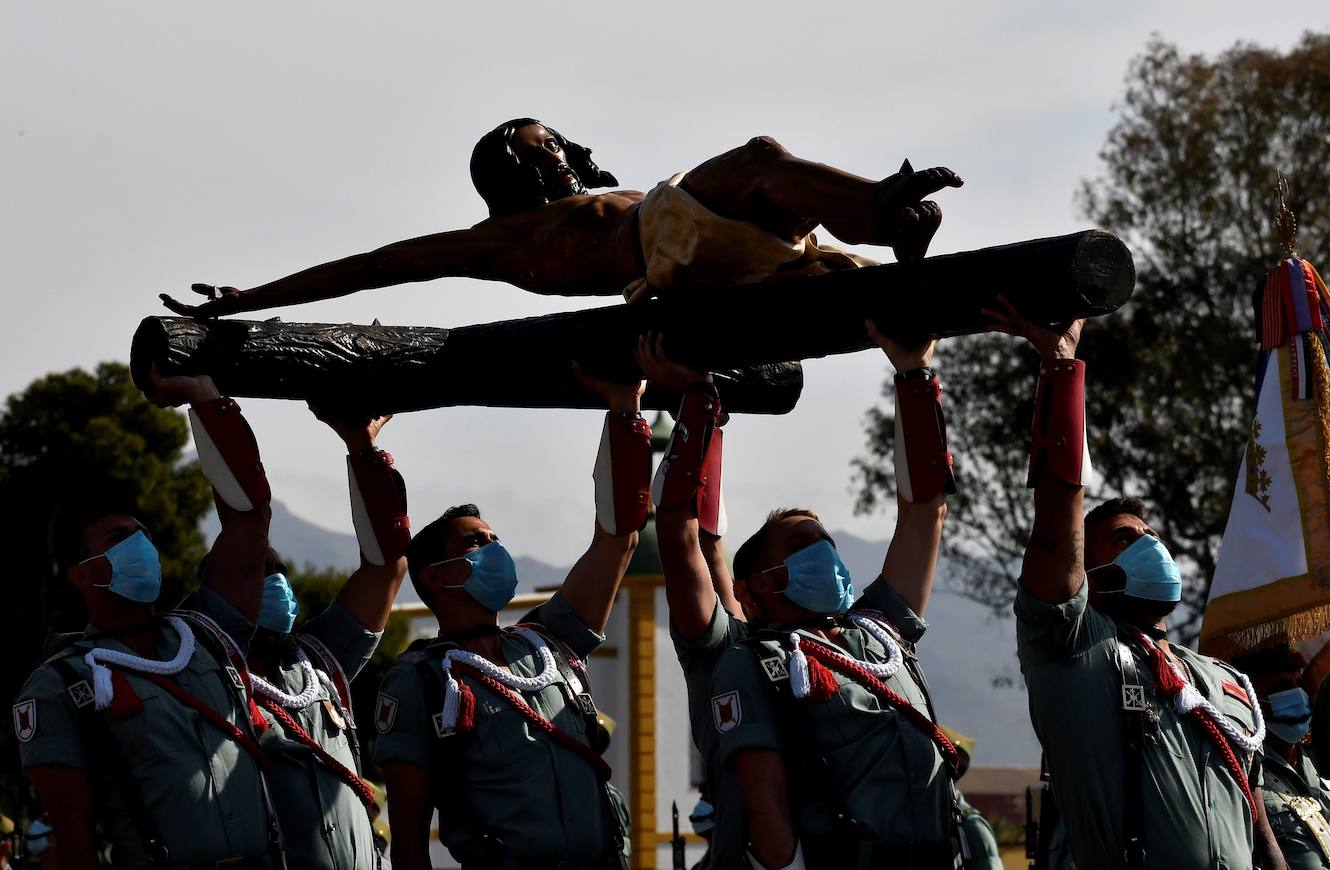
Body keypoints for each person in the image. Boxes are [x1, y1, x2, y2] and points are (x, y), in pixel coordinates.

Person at [642, 314, 960, 869]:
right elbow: (683, 531)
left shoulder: (880, 632)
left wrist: (914, 374)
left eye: (826, 541)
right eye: (803, 543)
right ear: (759, 583)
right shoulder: (737, 655)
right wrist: (698, 402)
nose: (826, 554)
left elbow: (925, 512)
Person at [996, 297, 1288, 869]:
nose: (1153, 545)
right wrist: (1061, 368)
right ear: (1090, 572)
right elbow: (1057, 517)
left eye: (1152, 533)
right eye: (1127, 539)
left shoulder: (1225, 682)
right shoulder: (1071, 644)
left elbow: (1257, 828)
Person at [158, 117, 962, 315]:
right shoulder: (505, 240)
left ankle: (883, 222)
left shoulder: (589, 196)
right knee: (757, 159)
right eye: (545, 145)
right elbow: (374, 267)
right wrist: (245, 303)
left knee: (775, 190)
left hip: (728, 254)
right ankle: (881, 211)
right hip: (664, 248)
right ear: (514, 164)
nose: (565, 152)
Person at [372, 366, 650, 869]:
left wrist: (625, 410)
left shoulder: (551, 641)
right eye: (476, 542)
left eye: (495, 538)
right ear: (435, 577)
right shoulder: (421, 682)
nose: (495, 549)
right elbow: (409, 838)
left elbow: (620, 539)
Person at [13, 369, 280, 868]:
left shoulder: (207, 636)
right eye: (120, 540)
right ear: (80, 575)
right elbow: (72, 842)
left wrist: (206, 399)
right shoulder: (57, 685)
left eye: (144, 535)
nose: (143, 547)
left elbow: (249, 519)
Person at [240, 407, 410, 870]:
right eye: (258, 577)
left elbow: (387, 567)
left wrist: (363, 450)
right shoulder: (205, 675)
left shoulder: (319, 658)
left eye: (279, 574)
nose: (277, 586)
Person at [1233, 646, 1330, 869]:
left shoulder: (1322, 760)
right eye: (1282, 687)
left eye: (1298, 685)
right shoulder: (1245, 772)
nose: (1297, 695)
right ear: (1252, 700)